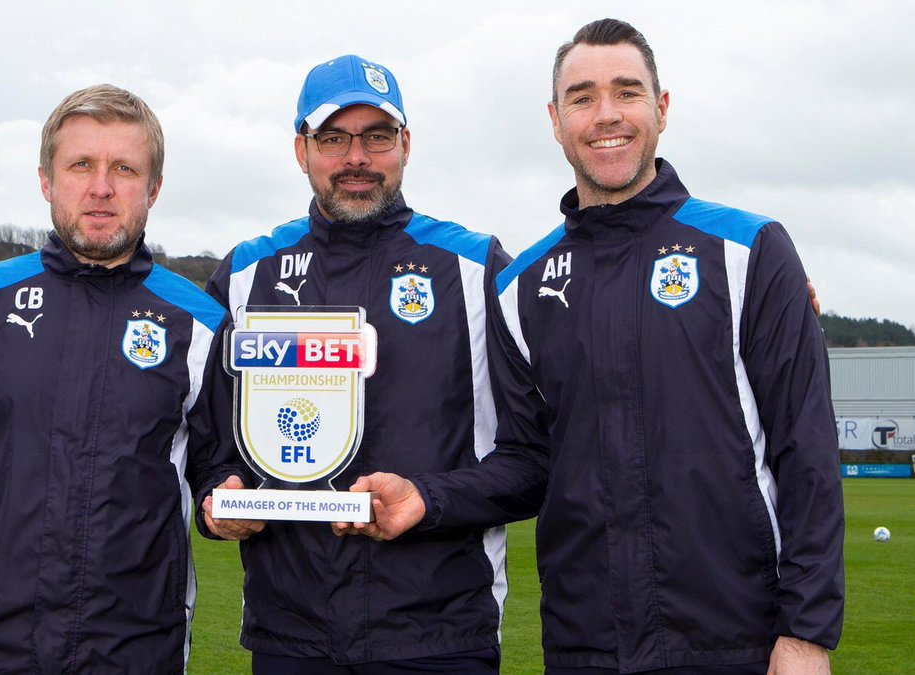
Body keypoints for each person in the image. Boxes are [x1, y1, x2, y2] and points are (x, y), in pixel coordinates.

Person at [343, 19, 844, 674]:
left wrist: (806, 633)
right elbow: (526, 460)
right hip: (585, 647)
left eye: (627, 92)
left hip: (734, 642)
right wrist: (427, 498)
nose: (606, 114)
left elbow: (806, 450)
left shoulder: (750, 252)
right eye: (582, 97)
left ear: (661, 109)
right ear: (556, 120)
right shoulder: (521, 285)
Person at [0, 84, 243, 674]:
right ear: (46, 180)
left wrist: (227, 499)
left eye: (124, 169)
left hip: (136, 652)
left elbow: (218, 468)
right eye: (81, 164)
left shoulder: (202, 324)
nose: (101, 187)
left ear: (153, 188)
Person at [200, 55, 521, 672]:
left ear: (406, 145)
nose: (356, 158)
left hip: (441, 639)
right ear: (302, 149)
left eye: (377, 137)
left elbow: (533, 458)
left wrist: (427, 499)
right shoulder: (246, 273)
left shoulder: (476, 268)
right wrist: (219, 503)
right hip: (288, 639)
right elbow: (205, 448)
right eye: (334, 138)